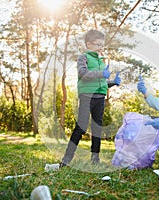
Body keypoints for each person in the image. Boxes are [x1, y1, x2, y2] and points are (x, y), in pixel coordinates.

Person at [59, 29, 121, 167]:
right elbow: (83, 73)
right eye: (98, 44)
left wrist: (113, 82)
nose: (101, 48)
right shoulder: (83, 57)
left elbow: (101, 82)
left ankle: (95, 159)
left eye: (102, 45)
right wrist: (101, 73)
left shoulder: (101, 61)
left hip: (100, 97)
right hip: (87, 96)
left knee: (97, 128)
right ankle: (66, 159)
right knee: (81, 127)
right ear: (89, 44)